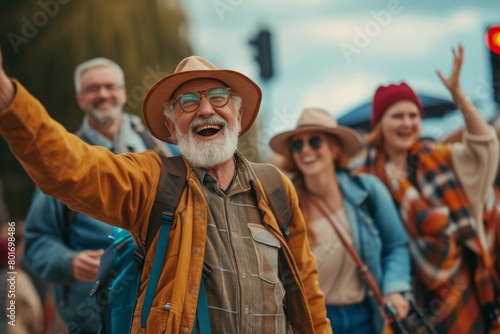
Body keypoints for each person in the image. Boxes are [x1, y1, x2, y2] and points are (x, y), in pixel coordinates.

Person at [0, 52, 331, 333]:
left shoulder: (275, 187)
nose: (205, 110)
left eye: (218, 96)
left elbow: (306, 290)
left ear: (239, 115)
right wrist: (10, 103)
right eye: (188, 101)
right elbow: (76, 169)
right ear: (172, 128)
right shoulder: (152, 179)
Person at [23, 57, 177, 334]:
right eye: (93, 89)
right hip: (91, 319)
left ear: (123, 92)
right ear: (80, 99)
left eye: (110, 86)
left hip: (158, 312)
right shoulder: (61, 162)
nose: (103, 94)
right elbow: (35, 242)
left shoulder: (164, 152)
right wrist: (67, 262)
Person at [357, 44, 500, 333]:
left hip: (466, 291)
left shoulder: (438, 157)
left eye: (413, 115)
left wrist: (458, 94)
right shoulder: (365, 177)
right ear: (379, 124)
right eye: (397, 116)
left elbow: (485, 146)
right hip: (405, 298)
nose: (407, 123)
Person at [270, 107, 412, 333]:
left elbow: (396, 245)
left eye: (315, 141)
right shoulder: (284, 204)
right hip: (314, 320)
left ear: (335, 148)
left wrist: (394, 289)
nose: (305, 150)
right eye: (298, 145)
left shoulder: (368, 190)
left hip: (366, 316)